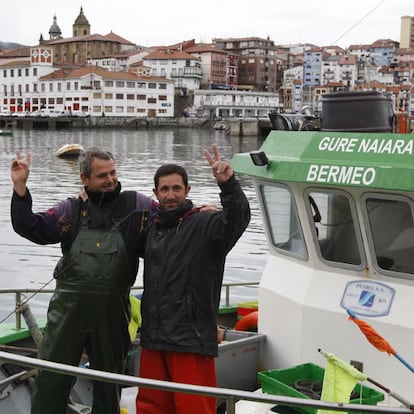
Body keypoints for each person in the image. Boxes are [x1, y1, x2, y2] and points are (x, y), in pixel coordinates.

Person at [10, 147, 158, 414]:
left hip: (112, 316)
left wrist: (193, 212)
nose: (111, 179)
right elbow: (31, 226)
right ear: (84, 179)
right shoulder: (71, 210)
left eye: (113, 172)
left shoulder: (139, 207)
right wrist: (20, 189)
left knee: (108, 385)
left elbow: (172, 221)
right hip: (67, 314)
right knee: (51, 380)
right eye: (102, 175)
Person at [136, 144, 251, 414]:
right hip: (154, 337)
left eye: (177, 188)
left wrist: (229, 185)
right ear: (156, 194)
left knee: (194, 408)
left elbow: (238, 219)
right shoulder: (151, 227)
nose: (171, 194)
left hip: (191, 339)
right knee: (150, 407)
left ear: (187, 190)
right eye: (164, 189)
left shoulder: (207, 223)